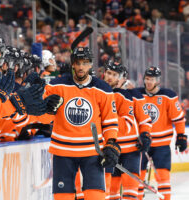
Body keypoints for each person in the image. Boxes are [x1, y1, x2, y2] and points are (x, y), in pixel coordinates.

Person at [44, 47, 120, 200]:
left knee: (96, 196)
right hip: (62, 151)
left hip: (92, 152)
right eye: (77, 63)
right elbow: (43, 119)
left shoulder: (103, 89)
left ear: (91, 65)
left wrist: (111, 143)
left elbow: (110, 121)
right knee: (62, 197)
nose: (80, 67)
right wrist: (47, 109)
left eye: (85, 63)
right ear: (72, 64)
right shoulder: (55, 86)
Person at [137, 66, 187, 200]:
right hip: (142, 143)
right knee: (137, 178)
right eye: (147, 78)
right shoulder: (137, 94)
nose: (148, 82)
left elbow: (178, 119)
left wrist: (181, 136)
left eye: (152, 79)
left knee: (163, 176)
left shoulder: (168, 96)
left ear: (158, 80)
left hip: (161, 145)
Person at [103, 61, 150, 200]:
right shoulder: (99, 92)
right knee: (111, 192)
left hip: (130, 148)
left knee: (131, 192)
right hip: (110, 148)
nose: (110, 77)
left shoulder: (132, 95)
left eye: (115, 75)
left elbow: (144, 119)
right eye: (109, 73)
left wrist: (145, 134)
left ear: (123, 78)